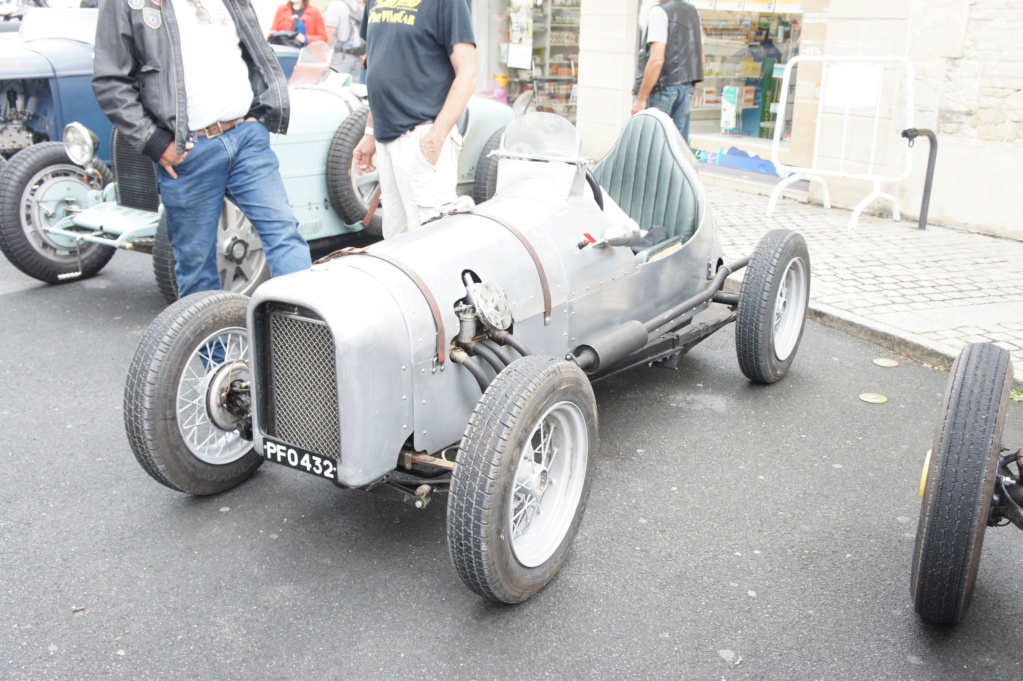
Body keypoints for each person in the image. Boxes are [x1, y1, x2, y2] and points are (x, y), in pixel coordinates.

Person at [92, 0, 312, 298]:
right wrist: (155, 142)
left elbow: (254, 49)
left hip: (246, 136)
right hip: (188, 151)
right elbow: (111, 81)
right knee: (196, 267)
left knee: (285, 235)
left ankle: (301, 338)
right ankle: (211, 346)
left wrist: (260, 113)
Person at [352, 0, 477, 239]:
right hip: (386, 139)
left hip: (423, 135)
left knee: (431, 244)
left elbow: (468, 73)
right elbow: (383, 66)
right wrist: (370, 132)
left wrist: (436, 137)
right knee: (395, 243)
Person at [632, 0, 704, 141]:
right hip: (687, 86)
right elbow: (701, 57)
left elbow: (657, 60)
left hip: (662, 87)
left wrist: (641, 99)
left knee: (654, 144)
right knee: (678, 147)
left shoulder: (659, 11)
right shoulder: (693, 12)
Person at [323, 0, 364, 81]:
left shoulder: (334, 6)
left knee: (336, 90)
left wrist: (324, 55)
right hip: (357, 57)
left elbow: (331, 32)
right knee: (353, 89)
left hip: (339, 58)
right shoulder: (357, 6)